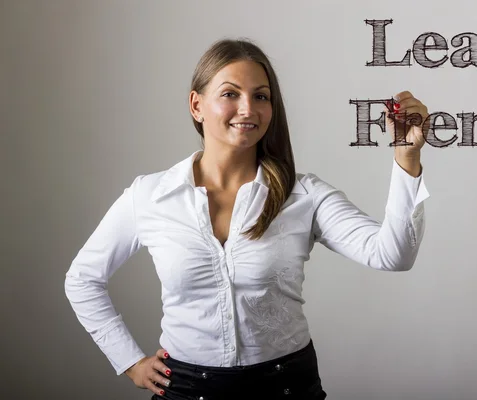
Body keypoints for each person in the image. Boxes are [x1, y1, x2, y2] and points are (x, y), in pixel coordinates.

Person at [64, 38, 430, 400]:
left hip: (286, 388)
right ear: (197, 105)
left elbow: (392, 255)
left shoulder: (304, 195)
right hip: (186, 391)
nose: (248, 109)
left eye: (261, 96)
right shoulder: (150, 195)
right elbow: (82, 279)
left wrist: (407, 159)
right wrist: (129, 361)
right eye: (230, 94)